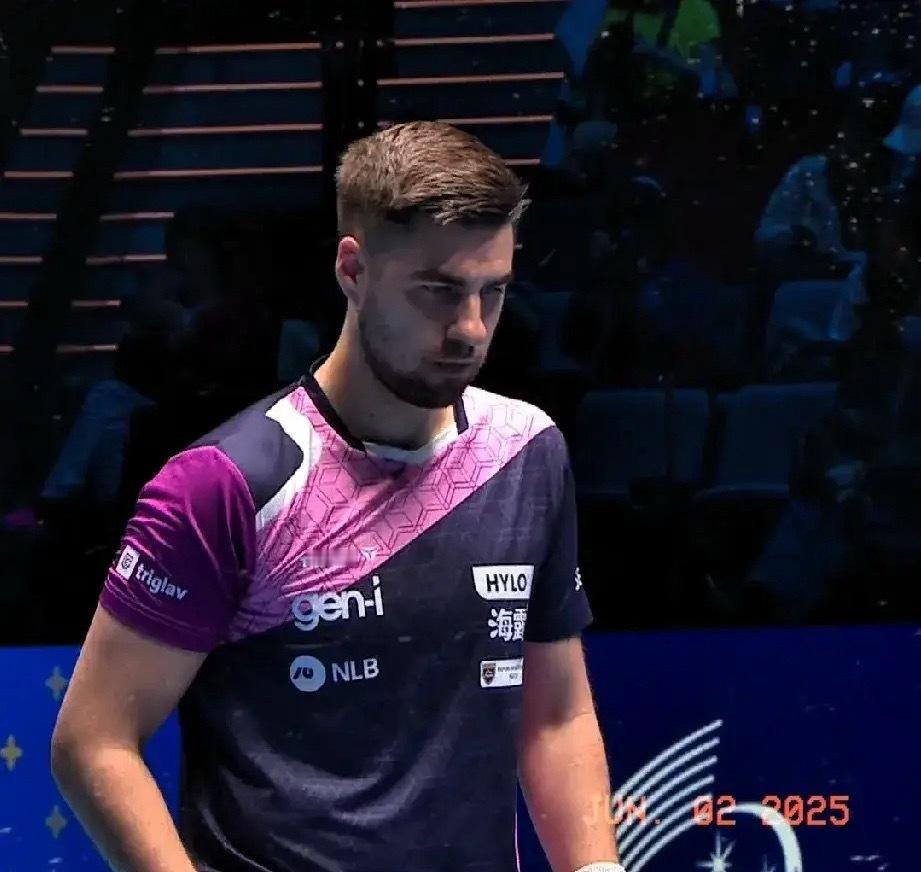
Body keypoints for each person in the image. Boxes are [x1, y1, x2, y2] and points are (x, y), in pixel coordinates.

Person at [50, 121, 624, 872]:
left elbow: (554, 716)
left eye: (493, 292)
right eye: (439, 291)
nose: (471, 329)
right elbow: (93, 740)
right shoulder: (226, 484)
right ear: (353, 270)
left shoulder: (525, 453)